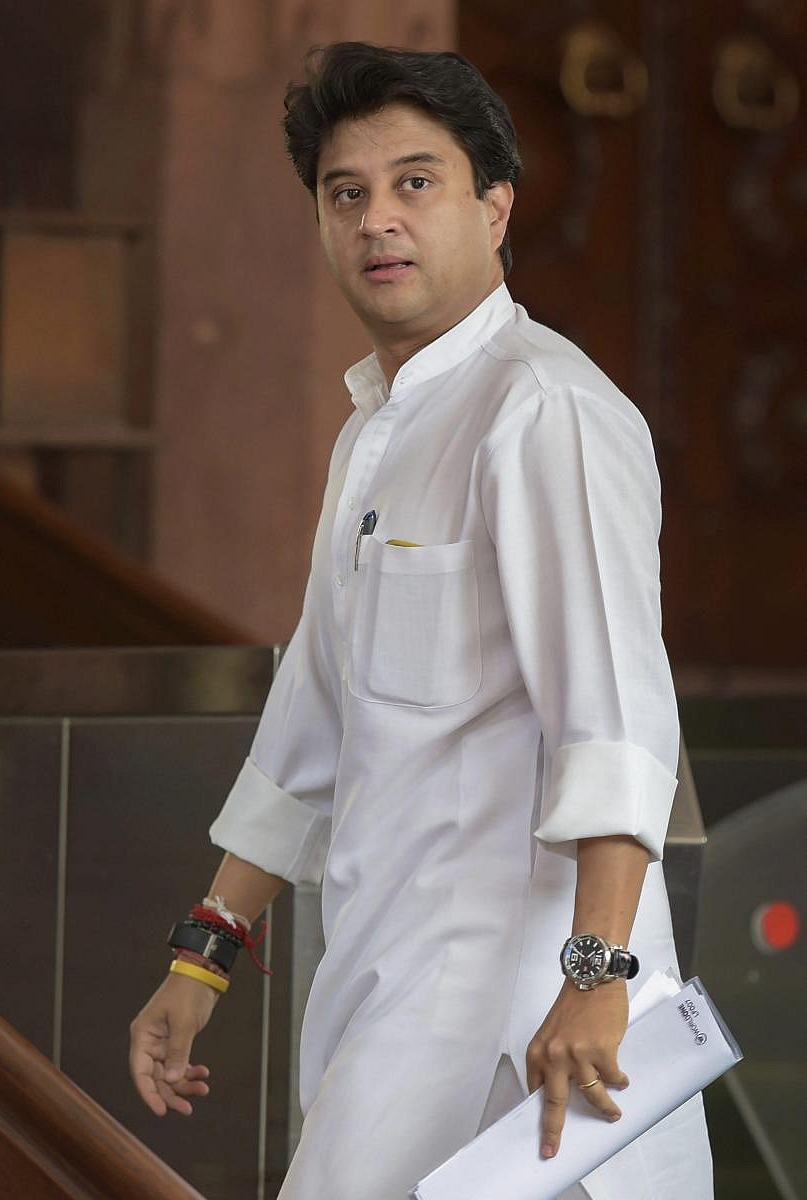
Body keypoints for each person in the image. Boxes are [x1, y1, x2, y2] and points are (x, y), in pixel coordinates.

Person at [128, 41, 715, 1199]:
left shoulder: (543, 411)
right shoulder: (374, 432)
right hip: (383, 985)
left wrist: (596, 975)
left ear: (494, 208)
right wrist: (204, 955)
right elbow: (313, 725)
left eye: (415, 183)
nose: (376, 221)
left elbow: (616, 721)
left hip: (525, 1019)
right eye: (345, 195)